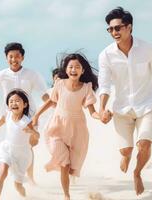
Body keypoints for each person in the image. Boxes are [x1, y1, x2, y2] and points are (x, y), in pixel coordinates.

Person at [98, 7, 152, 195]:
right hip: (121, 110)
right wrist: (101, 109)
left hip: (146, 104)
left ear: (129, 27)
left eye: (118, 28)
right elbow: (105, 85)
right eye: (110, 29)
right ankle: (125, 156)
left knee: (144, 145)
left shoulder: (148, 48)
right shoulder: (106, 55)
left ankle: (137, 173)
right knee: (126, 151)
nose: (114, 32)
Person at [0, 42, 49, 183]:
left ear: (22, 57)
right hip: (9, 114)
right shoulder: (1, 75)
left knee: (29, 146)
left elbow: (44, 94)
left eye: (17, 56)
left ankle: (29, 177)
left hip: (30, 115)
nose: (14, 59)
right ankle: (15, 172)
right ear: (6, 58)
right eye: (10, 56)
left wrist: (47, 108)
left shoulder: (32, 74)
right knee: (13, 143)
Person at [32, 53, 100, 200]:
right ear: (66, 69)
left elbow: (92, 112)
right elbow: (51, 102)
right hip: (57, 127)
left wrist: (101, 116)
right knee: (64, 163)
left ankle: (68, 185)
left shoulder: (86, 88)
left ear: (82, 70)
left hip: (78, 129)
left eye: (77, 67)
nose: (73, 69)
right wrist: (36, 115)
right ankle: (66, 195)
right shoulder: (60, 84)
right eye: (70, 67)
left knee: (71, 167)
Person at [0, 89, 40, 199]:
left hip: (22, 155)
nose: (13, 103)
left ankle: (25, 197)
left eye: (17, 101)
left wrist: (32, 132)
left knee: (18, 186)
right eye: (11, 101)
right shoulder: (7, 115)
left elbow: (37, 136)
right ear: (8, 105)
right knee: (3, 172)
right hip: (7, 149)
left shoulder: (26, 121)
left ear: (25, 104)